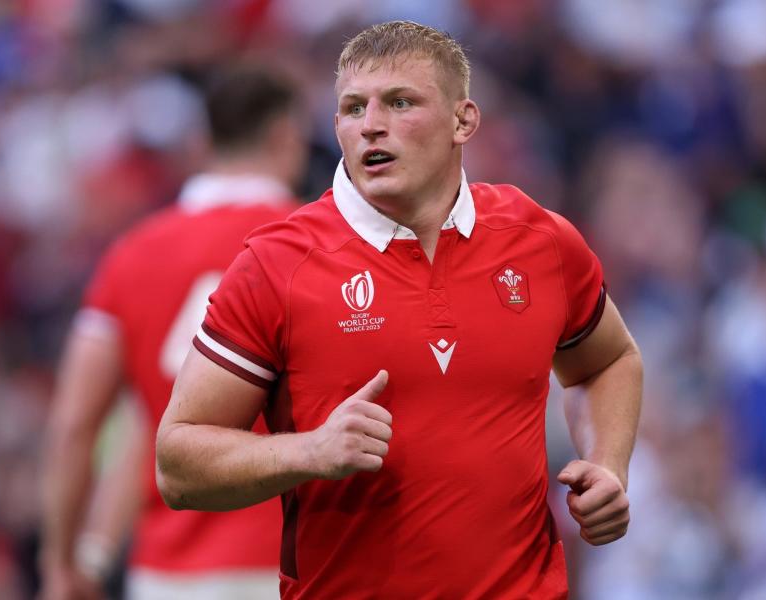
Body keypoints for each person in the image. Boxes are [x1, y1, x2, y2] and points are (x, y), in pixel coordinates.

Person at [156, 21, 643, 599]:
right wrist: (307, 450)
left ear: (463, 121)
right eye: (352, 108)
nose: (371, 126)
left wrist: (608, 463)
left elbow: (608, 361)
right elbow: (178, 465)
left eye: (399, 102)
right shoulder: (277, 263)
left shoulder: (540, 241)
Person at [39, 67, 308, 599]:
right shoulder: (323, 248)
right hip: (295, 564)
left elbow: (74, 425)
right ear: (286, 137)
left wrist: (63, 562)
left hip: (168, 573)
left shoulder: (130, 255)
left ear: (201, 143)